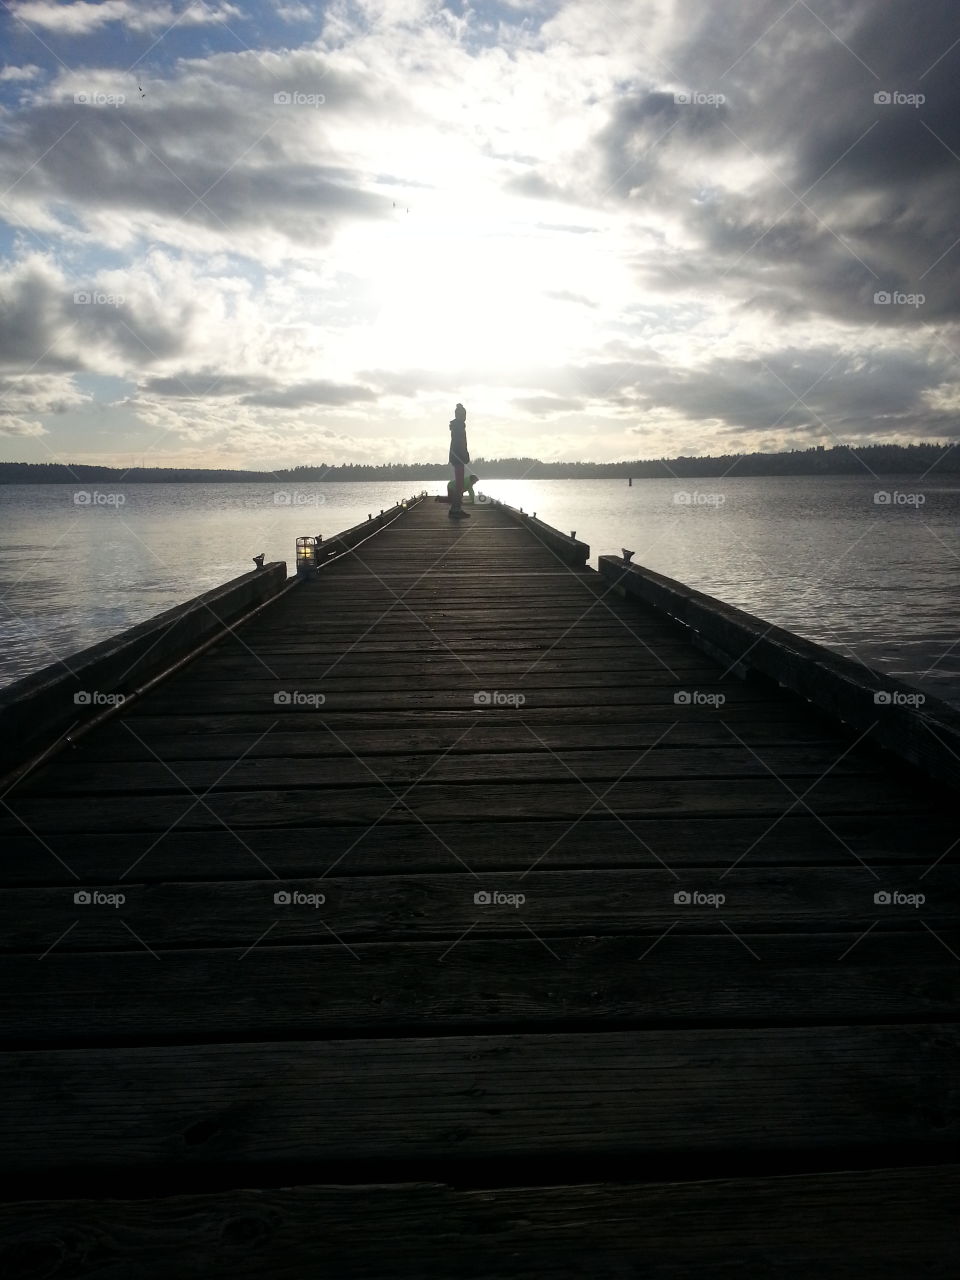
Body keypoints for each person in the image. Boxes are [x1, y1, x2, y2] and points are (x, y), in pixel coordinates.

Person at [448, 402, 470, 520]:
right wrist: (465, 455)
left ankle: (455, 508)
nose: (465, 416)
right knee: (460, 484)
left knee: (459, 483)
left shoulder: (457, 425)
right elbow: (460, 443)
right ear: (459, 415)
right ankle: (456, 509)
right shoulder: (459, 426)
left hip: (456, 457)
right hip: (458, 457)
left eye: (465, 414)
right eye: (464, 414)